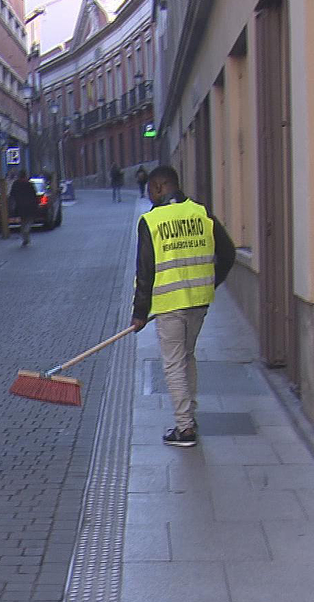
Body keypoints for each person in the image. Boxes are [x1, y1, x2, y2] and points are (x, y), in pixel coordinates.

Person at [131, 166, 237, 448]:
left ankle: (184, 427)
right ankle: (189, 416)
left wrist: (139, 313)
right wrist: (210, 283)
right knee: (187, 357)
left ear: (157, 187)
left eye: (150, 191)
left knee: (174, 363)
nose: (150, 197)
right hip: (199, 302)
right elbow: (228, 253)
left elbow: (145, 271)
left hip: (170, 305)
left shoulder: (151, 221)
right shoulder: (201, 213)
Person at [8, 169, 39, 246]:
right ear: (25, 175)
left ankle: (25, 238)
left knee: (23, 221)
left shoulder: (15, 184)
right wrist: (36, 205)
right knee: (29, 220)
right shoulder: (29, 184)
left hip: (20, 206)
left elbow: (12, 195)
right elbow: (34, 195)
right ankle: (26, 232)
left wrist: (12, 206)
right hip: (30, 206)